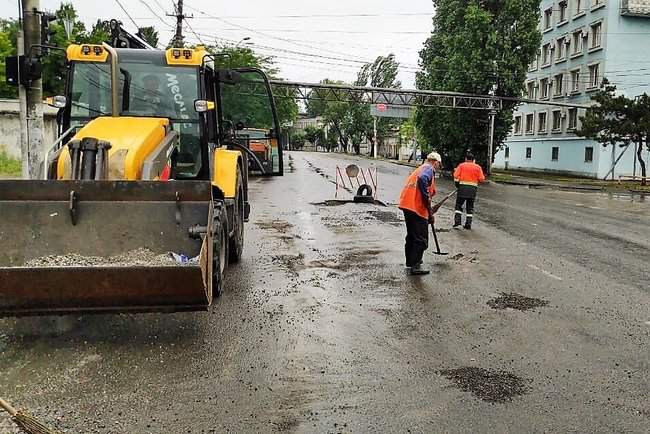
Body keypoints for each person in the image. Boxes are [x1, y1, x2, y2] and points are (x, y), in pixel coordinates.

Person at [398, 151, 442, 276]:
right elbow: (423, 180)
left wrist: (429, 211)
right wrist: (427, 201)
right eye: (439, 164)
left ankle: (411, 262)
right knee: (421, 238)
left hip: (407, 205)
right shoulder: (429, 169)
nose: (439, 167)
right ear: (436, 162)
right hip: (416, 207)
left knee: (412, 235)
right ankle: (415, 266)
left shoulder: (420, 168)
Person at [453, 152, 486, 230]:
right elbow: (482, 179)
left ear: (466, 159)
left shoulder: (461, 165)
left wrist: (457, 185)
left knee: (458, 205)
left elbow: (455, 175)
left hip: (462, 189)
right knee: (470, 207)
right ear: (473, 160)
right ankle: (468, 224)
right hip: (472, 190)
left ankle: (457, 222)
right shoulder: (478, 167)